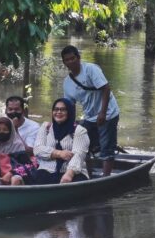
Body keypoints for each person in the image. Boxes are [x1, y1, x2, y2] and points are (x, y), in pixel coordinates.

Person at [61, 45, 120, 176]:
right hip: (89, 116)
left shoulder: (90, 70)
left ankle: (105, 177)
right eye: (67, 60)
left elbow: (106, 88)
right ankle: (89, 174)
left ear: (78, 58)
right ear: (64, 62)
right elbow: (70, 106)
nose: (71, 62)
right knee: (84, 146)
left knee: (106, 147)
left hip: (108, 113)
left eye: (73, 58)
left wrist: (103, 113)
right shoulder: (67, 83)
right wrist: (70, 125)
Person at [33, 98, 90, 184]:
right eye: (56, 109)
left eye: (63, 110)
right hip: (47, 170)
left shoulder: (79, 131)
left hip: (73, 171)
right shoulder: (46, 127)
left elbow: (78, 155)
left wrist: (69, 174)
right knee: (39, 178)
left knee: (74, 182)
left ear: (69, 112)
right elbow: (37, 150)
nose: (59, 112)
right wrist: (59, 153)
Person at [0, 117, 37, 185]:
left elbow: (27, 165)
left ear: (11, 131)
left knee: (15, 179)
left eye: (5, 130)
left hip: (16, 176)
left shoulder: (18, 145)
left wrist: (11, 173)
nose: (1, 132)